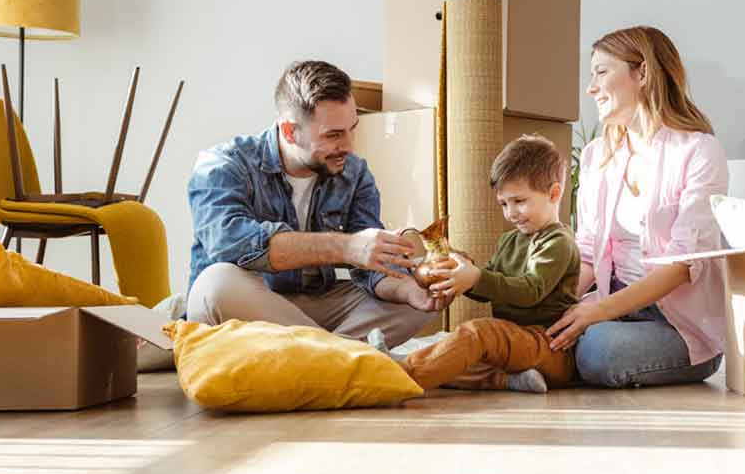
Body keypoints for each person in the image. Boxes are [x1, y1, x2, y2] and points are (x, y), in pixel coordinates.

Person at [185, 60, 445, 346]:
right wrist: (348, 246)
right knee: (216, 284)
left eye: (352, 129)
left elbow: (372, 269)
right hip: (250, 305)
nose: (348, 146)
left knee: (414, 295)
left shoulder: (354, 173)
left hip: (311, 307)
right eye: (333, 135)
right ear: (289, 131)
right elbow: (228, 243)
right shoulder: (224, 164)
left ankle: (322, 358)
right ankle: (341, 356)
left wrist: (410, 290)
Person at [546, 26, 729, 388]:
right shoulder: (598, 155)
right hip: (611, 305)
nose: (590, 88)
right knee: (546, 328)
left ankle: (543, 363)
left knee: (598, 350)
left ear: (642, 73)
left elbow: (682, 264)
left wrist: (597, 313)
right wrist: (554, 310)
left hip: (673, 325)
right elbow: (586, 251)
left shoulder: (699, 151)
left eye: (601, 72)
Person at [393, 135, 582, 393]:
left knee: (476, 335)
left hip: (549, 346)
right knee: (455, 353)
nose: (510, 213)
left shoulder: (558, 242)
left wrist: (475, 278)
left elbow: (530, 290)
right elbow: (489, 282)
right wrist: (460, 275)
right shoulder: (510, 241)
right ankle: (510, 381)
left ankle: (395, 376)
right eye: (504, 204)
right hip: (513, 343)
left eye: (519, 201)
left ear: (554, 193)